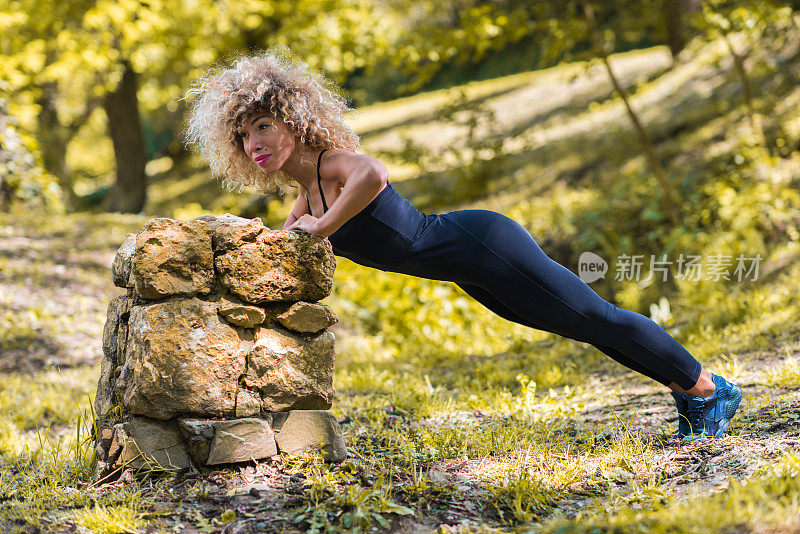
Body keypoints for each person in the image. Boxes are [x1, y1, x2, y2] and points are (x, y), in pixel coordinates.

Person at [183, 48, 741, 440]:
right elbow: (284, 247)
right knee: (580, 326)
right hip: (470, 271)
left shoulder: (335, 166)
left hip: (483, 242)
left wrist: (325, 230)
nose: (253, 144)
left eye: (262, 127)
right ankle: (691, 393)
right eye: (243, 135)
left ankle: (712, 389)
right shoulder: (305, 194)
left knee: (594, 314)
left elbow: (375, 174)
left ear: (293, 122)